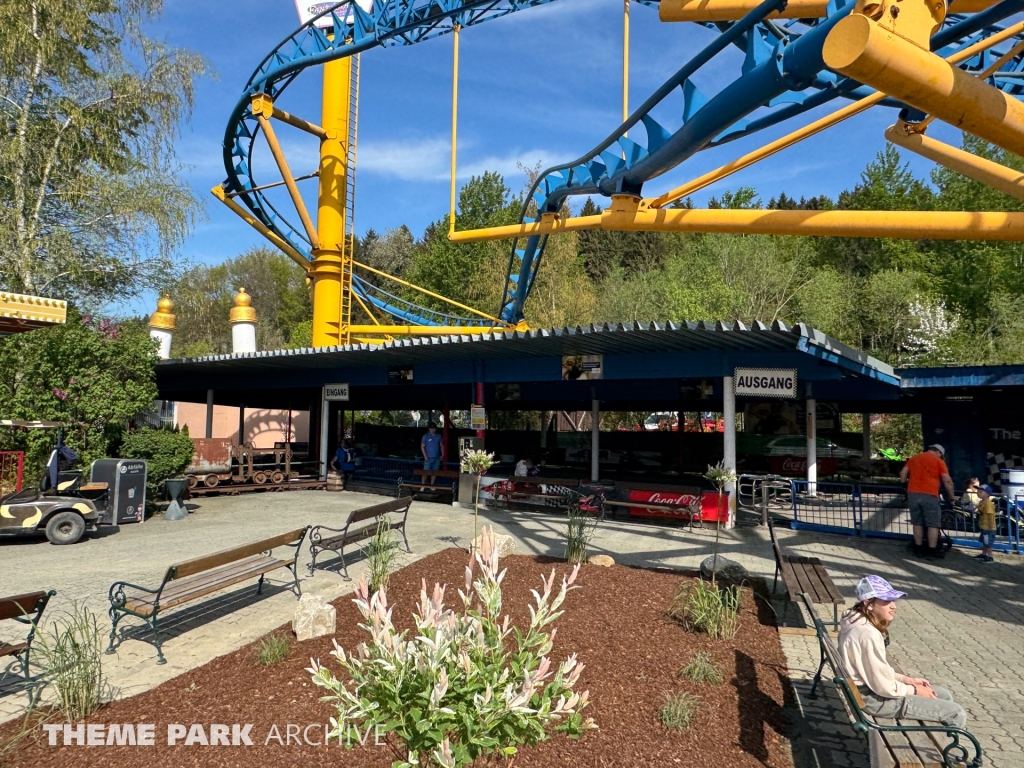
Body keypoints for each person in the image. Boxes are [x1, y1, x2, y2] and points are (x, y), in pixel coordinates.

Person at [838, 575, 968, 730]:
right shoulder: (867, 633)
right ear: (868, 604)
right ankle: (947, 752)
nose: (893, 606)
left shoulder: (854, 620)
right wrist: (913, 690)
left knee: (943, 694)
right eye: (886, 601)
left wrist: (906, 679)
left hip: (866, 692)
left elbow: (873, 671)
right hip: (874, 700)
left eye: (893, 600)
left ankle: (940, 743)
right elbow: (882, 686)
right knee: (956, 712)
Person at [899, 444, 956, 558]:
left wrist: (906, 485)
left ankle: (918, 548)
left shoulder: (914, 458)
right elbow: (947, 480)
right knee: (933, 524)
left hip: (913, 494)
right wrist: (952, 496)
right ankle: (932, 550)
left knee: (917, 522)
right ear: (939, 453)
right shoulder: (939, 461)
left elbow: (903, 474)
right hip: (930, 494)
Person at [975, 484, 997, 562]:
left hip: (988, 528)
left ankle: (990, 556)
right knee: (984, 542)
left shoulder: (988, 504)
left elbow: (991, 516)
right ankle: (984, 554)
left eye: (980, 492)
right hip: (984, 526)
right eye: (978, 491)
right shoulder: (982, 502)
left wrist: (990, 527)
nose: (978, 493)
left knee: (988, 543)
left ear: (987, 494)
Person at [420, 422, 444, 488]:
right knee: (425, 472)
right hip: (428, 457)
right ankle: (422, 485)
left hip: (436, 457)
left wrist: (442, 454)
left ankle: (432, 485)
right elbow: (422, 446)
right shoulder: (425, 436)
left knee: (434, 472)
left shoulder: (438, 436)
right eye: (431, 428)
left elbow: (441, 446)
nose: (433, 430)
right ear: (429, 429)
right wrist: (425, 456)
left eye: (434, 428)